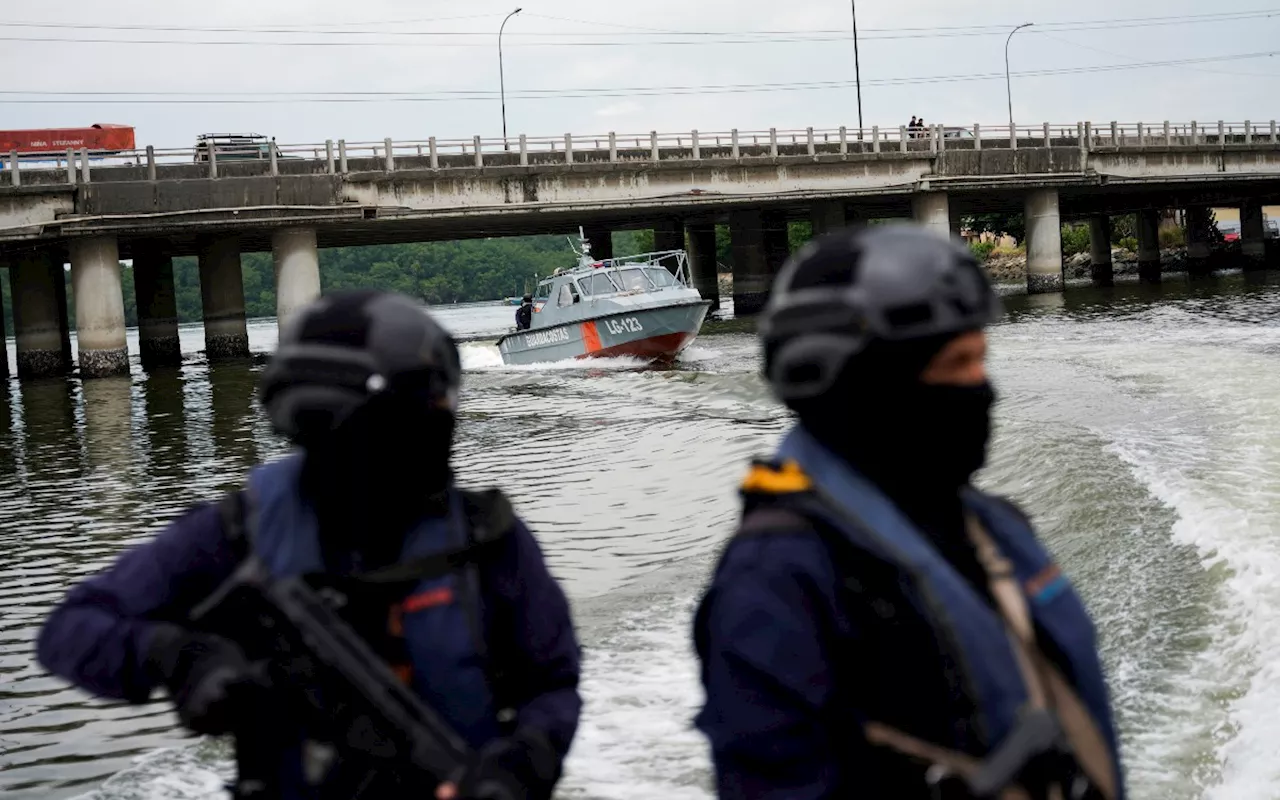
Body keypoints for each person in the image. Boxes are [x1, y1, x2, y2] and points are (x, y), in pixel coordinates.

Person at [37, 290, 582, 800]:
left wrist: (526, 760)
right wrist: (176, 657)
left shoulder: (488, 537)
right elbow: (72, 630)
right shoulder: (235, 534)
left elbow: (553, 681)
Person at [693, 225, 1124, 800]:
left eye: (981, 360)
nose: (981, 387)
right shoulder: (777, 580)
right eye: (956, 364)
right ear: (867, 383)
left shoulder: (991, 525)